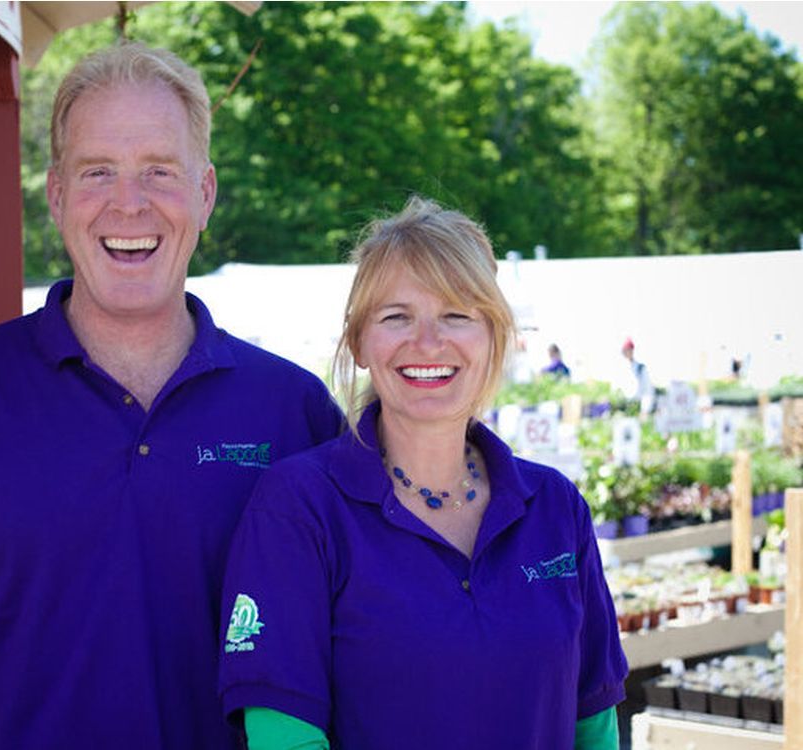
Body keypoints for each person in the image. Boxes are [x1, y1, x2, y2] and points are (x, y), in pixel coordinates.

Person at [0, 43, 341, 750]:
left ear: (206, 194)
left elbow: (352, 646)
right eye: (98, 172)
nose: (129, 203)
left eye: (159, 171)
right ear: (57, 196)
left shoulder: (293, 410)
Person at [219, 196, 628, 749]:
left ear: (494, 338)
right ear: (359, 341)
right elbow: (282, 739)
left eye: (456, 314)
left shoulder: (555, 507)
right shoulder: (300, 506)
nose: (428, 342)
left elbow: (594, 727)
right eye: (397, 317)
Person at [621, 337, 654, 416]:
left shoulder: (640, 368)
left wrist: (645, 410)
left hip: (637, 409)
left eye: (628, 350)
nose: (626, 352)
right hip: (622, 409)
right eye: (625, 350)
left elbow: (648, 391)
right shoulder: (619, 369)